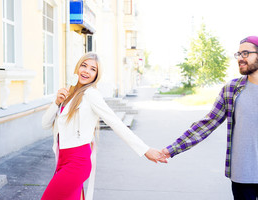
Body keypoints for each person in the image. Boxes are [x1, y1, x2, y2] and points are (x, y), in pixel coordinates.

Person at [162, 36, 258, 200]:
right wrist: (171, 150)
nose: (240, 59)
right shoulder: (231, 89)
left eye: (246, 53)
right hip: (241, 174)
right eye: (239, 54)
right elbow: (207, 124)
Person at [41, 52, 167, 200]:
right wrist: (56, 102)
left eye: (93, 69)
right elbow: (45, 124)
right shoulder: (69, 94)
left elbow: (115, 122)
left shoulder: (91, 94)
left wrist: (145, 150)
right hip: (63, 160)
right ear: (78, 67)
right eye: (84, 65)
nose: (87, 71)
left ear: (96, 75)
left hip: (76, 163)